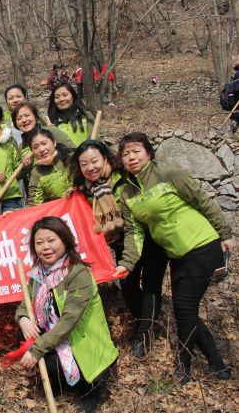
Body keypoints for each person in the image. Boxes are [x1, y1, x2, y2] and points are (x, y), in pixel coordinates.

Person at [114, 132, 234, 384]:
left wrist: (225, 233)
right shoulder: (127, 193)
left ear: (149, 153)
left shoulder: (168, 174)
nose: (131, 157)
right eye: (126, 154)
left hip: (202, 244)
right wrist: (126, 264)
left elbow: (201, 200)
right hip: (177, 254)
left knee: (185, 309)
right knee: (186, 310)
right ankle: (218, 366)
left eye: (136, 151)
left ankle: (184, 367)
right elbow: (134, 233)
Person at [70, 138, 169, 358]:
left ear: (106, 158)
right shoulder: (84, 190)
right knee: (129, 286)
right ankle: (146, 322)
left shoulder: (125, 177)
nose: (90, 167)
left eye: (95, 161)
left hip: (150, 236)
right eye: (84, 164)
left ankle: (143, 336)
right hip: (122, 243)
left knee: (152, 284)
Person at [15, 216, 117, 413]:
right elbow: (23, 305)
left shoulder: (78, 273)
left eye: (51, 240)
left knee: (46, 349)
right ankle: (59, 380)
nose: (45, 247)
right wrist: (24, 319)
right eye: (39, 242)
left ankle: (90, 389)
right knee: (23, 333)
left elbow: (69, 321)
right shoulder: (38, 273)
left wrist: (37, 350)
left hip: (84, 344)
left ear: (65, 240)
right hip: (58, 337)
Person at [26, 128, 72, 206]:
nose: (41, 149)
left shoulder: (71, 157)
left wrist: (77, 190)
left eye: (44, 143)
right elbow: (33, 205)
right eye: (36, 147)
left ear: (54, 143)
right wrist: (13, 213)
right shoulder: (36, 173)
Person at [47, 81, 94, 147]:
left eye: (65, 95)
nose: (61, 99)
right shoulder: (51, 122)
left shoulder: (86, 116)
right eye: (57, 97)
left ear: (73, 96)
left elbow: (95, 140)